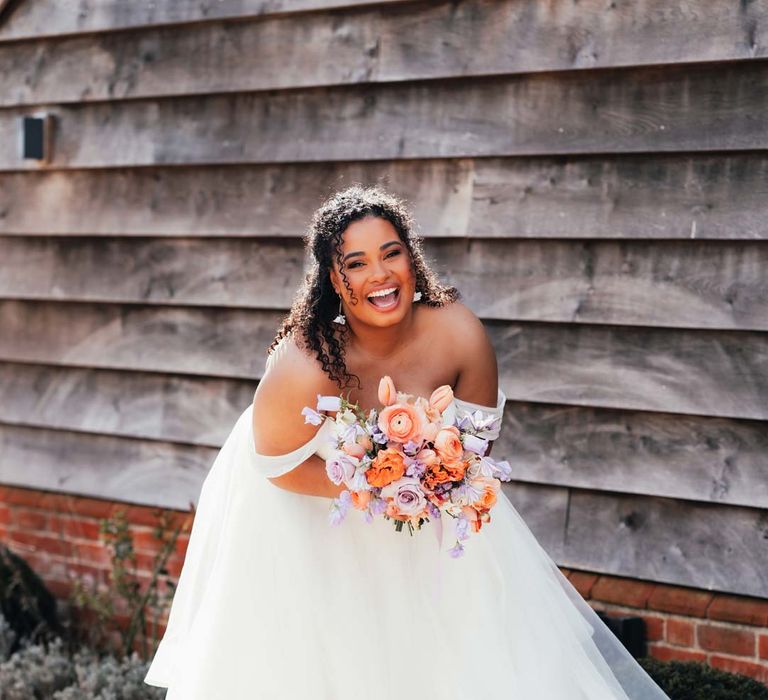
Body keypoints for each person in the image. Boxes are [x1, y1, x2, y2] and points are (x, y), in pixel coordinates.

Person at [144, 185, 671, 699]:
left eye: (391, 253)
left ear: (411, 259)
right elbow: (276, 467)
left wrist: (426, 472)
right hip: (307, 519)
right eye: (356, 262)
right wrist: (375, 486)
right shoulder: (304, 363)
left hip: (433, 515)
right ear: (333, 277)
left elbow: (477, 445)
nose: (379, 275)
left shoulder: (459, 334)